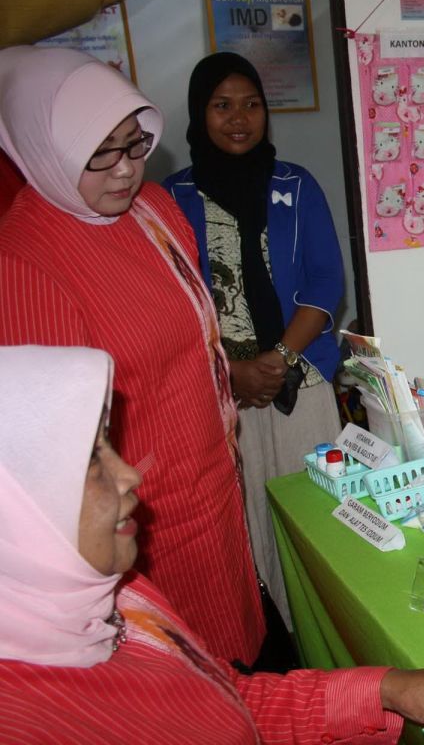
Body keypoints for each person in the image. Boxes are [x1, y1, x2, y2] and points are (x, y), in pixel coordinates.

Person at [0, 345, 424, 742]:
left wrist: (387, 688)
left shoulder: (121, 598)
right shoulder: (28, 719)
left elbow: (227, 699)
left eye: (109, 447)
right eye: (92, 461)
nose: (130, 477)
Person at [0, 46, 264, 665]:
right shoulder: (24, 265)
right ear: (41, 149)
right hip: (142, 526)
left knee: (245, 666)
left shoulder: (153, 208)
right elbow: (55, 463)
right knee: (187, 682)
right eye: (100, 153)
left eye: (134, 144)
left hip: (215, 489)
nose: (125, 170)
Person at [163, 52, 345, 627]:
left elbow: (326, 280)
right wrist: (231, 372)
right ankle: (276, 645)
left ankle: (331, 630)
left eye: (251, 104)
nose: (238, 117)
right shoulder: (168, 199)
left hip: (300, 380)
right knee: (241, 530)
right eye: (222, 105)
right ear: (199, 113)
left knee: (321, 518)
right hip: (218, 393)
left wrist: (279, 357)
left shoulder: (297, 184)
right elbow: (168, 304)